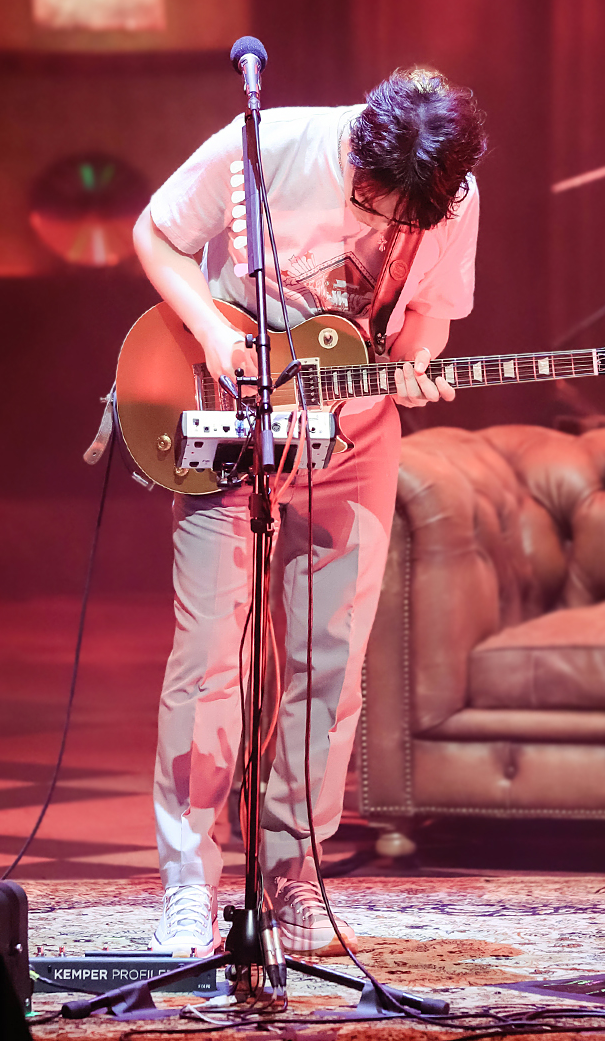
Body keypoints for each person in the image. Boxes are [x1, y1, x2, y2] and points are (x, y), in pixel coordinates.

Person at [132, 66, 486, 958]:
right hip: (234, 418)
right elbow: (157, 234)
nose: (383, 222)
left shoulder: (453, 197)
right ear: (360, 151)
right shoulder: (270, 144)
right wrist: (213, 331)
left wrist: (414, 362)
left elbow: (429, 317)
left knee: (330, 665)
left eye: (405, 216)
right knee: (210, 657)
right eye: (372, 201)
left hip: (355, 436)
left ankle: (295, 876)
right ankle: (188, 884)